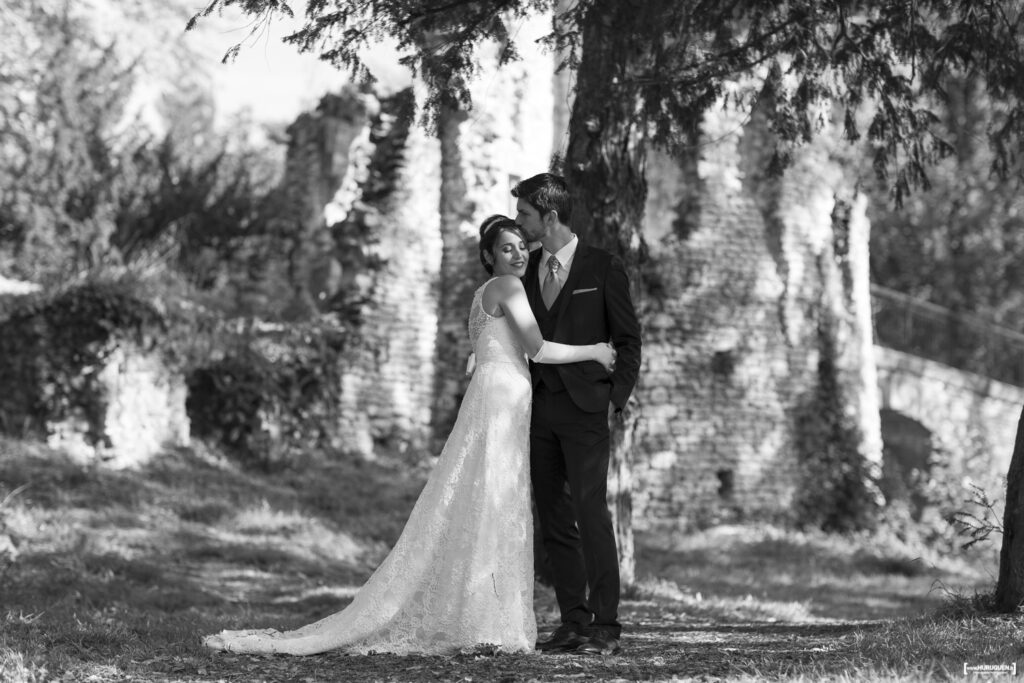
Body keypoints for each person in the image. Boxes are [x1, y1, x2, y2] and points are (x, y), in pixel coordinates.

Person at [201, 216, 615, 656]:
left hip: (491, 398)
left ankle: (485, 616)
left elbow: (482, 354)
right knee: (494, 500)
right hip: (500, 402)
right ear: (489, 256)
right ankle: (490, 622)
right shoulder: (509, 288)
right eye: (507, 248)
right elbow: (538, 350)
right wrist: (596, 350)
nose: (517, 254)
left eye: (520, 247)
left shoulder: (482, 295)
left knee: (483, 500)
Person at [513, 173, 642, 656]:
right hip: (538, 411)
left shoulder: (602, 267)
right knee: (554, 520)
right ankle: (573, 621)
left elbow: (628, 342)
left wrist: (614, 400)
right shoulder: (523, 272)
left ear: (549, 216)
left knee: (591, 515)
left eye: (525, 214)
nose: (518, 222)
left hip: (588, 411)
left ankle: (605, 626)